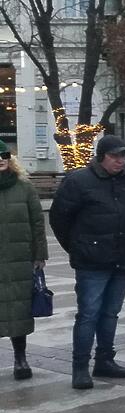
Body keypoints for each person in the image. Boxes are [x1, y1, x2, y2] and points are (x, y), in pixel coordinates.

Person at [50, 136, 125, 389]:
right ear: (101, 156)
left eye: (123, 156)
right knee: (88, 314)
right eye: (115, 156)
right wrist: (77, 248)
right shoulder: (79, 181)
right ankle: (80, 366)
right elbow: (59, 219)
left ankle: (105, 360)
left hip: (122, 259)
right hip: (91, 262)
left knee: (111, 313)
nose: (120, 161)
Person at [0, 142, 48, 381]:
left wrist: (40, 255)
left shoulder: (24, 188)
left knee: (18, 311)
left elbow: (38, 222)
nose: (0, 159)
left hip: (19, 259)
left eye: (3, 155)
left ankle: (20, 359)